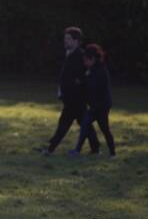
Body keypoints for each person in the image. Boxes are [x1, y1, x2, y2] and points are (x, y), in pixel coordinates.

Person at [45, 26, 97, 155]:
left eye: (68, 39)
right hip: (71, 98)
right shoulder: (70, 54)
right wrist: (61, 90)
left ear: (76, 41)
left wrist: (79, 83)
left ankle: (50, 148)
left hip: (76, 99)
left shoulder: (81, 56)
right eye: (65, 38)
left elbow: (88, 74)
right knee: (84, 124)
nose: (65, 41)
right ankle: (95, 148)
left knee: (65, 122)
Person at [72, 44, 115, 157]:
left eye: (86, 61)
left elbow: (94, 87)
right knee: (88, 125)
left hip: (101, 106)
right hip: (96, 106)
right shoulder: (92, 70)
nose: (85, 63)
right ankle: (77, 150)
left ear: (93, 59)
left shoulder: (100, 71)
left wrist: (83, 81)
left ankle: (112, 153)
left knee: (103, 128)